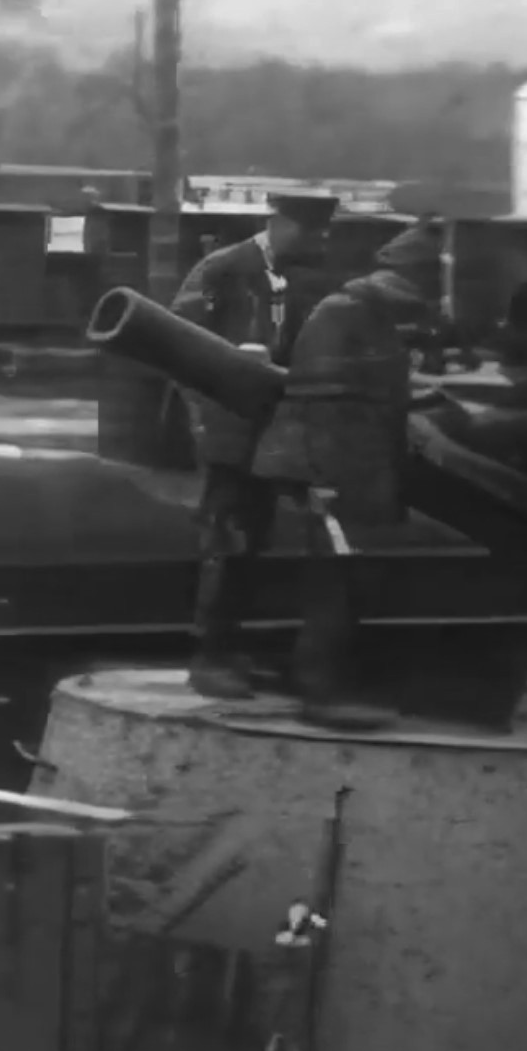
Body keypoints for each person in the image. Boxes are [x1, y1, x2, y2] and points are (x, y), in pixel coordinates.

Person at [251, 217, 448, 730]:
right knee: (337, 574)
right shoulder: (372, 309)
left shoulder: (362, 307)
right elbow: (340, 395)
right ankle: (321, 692)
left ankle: (317, 678)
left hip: (330, 454)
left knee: (339, 571)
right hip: (332, 457)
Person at [168, 190, 340, 696]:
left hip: (271, 429)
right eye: (309, 231)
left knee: (255, 539)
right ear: (281, 221)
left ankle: (231, 648)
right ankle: (209, 656)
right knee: (227, 538)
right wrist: (202, 416)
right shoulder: (224, 268)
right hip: (228, 427)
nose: (316, 242)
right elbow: (180, 342)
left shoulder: (300, 273)